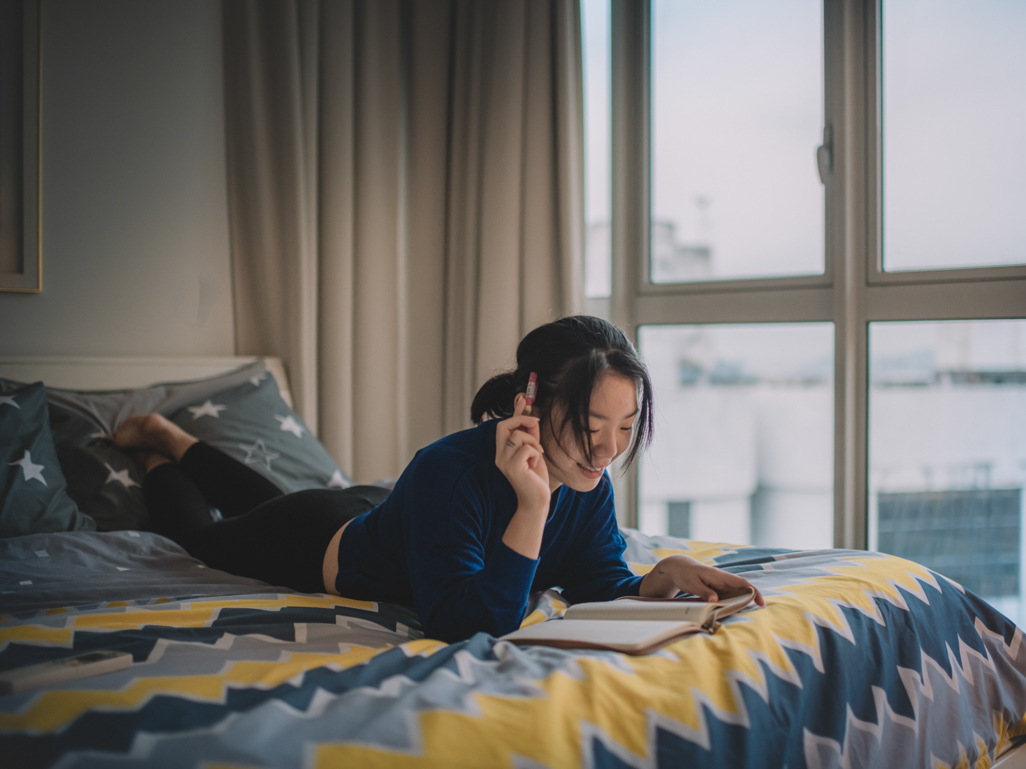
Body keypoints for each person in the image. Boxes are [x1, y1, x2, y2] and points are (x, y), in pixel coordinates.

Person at [117, 316, 763, 643]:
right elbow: (462, 623)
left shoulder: (589, 480)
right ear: (531, 400)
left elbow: (599, 583)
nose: (607, 450)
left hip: (384, 513)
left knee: (274, 496)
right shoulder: (448, 472)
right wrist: (532, 507)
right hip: (317, 542)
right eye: (592, 424)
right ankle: (158, 450)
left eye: (626, 426)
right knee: (205, 536)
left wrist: (663, 576)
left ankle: (175, 439)